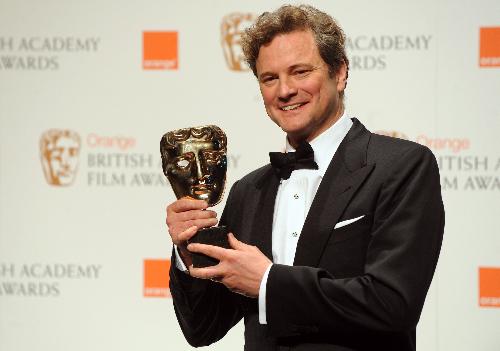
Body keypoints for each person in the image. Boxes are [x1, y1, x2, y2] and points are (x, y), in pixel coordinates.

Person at [166, 4, 444, 351]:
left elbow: (392, 303)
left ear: (340, 72)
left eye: (300, 72)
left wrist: (269, 283)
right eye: (270, 78)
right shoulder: (248, 190)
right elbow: (203, 329)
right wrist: (186, 251)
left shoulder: (400, 166)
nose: (284, 90)